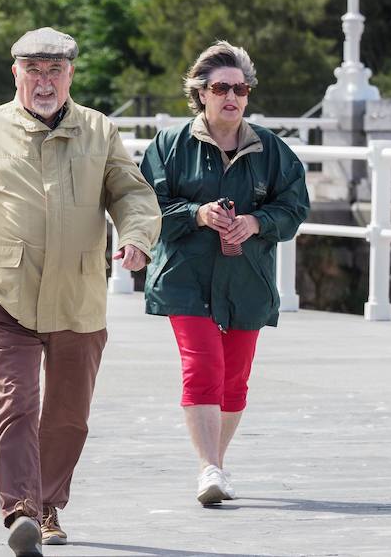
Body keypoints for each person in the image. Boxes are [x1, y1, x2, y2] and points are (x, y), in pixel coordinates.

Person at [0, 27, 161, 557]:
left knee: (68, 415)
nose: (44, 81)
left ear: (70, 76)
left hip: (78, 296)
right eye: (33, 70)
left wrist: (135, 240)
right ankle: (20, 510)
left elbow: (131, 193)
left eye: (54, 71)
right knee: (16, 403)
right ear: (15, 73)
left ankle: (47, 505)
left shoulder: (98, 131)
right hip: (5, 295)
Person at [139, 40, 309, 506]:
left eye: (241, 88)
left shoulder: (272, 150)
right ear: (201, 93)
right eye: (221, 87)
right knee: (204, 366)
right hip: (184, 276)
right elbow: (147, 206)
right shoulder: (169, 145)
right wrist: (197, 214)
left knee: (235, 379)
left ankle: (215, 462)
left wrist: (256, 222)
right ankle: (208, 468)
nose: (232, 96)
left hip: (247, 278)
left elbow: (294, 208)